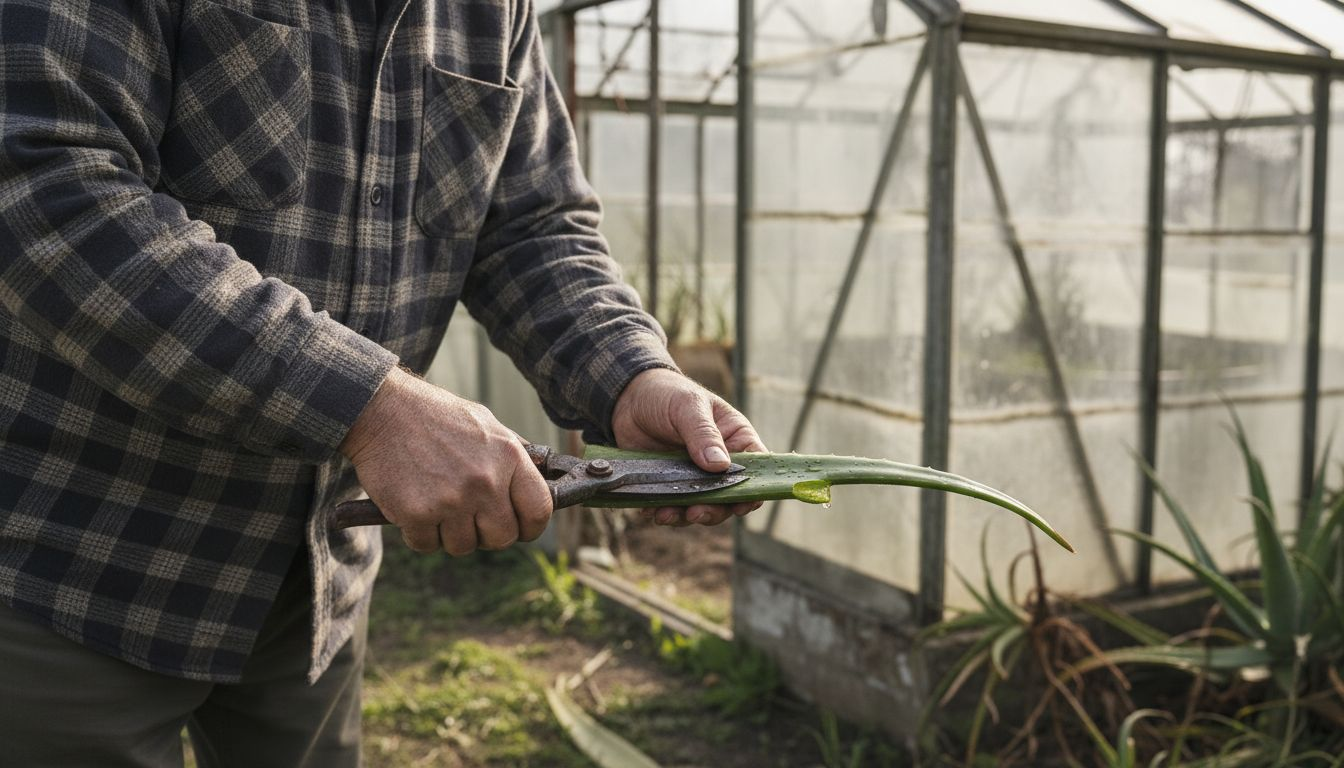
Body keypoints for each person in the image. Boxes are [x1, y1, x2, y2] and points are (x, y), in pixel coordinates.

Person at [0, 1, 764, 765]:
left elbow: (533, 222)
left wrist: (629, 372)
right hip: (76, 558)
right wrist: (370, 405)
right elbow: (45, 188)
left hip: (318, 573)